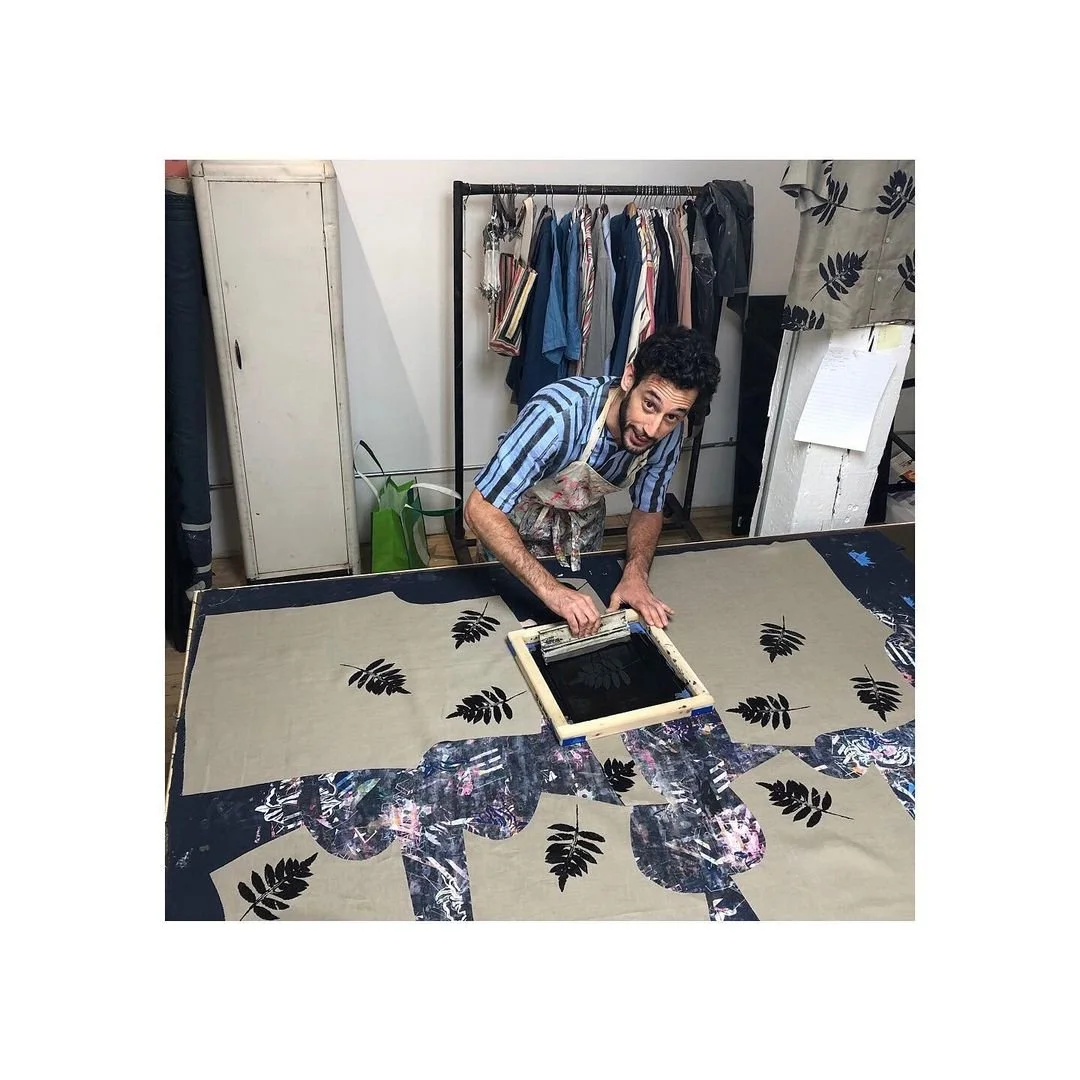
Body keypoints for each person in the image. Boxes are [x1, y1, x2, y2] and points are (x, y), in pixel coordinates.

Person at [465, 325, 720, 637]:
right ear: (629, 379)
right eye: (649, 404)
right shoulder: (556, 416)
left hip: (582, 530)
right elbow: (481, 509)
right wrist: (553, 591)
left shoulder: (668, 433)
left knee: (584, 626)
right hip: (513, 526)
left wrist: (635, 573)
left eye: (672, 416)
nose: (653, 429)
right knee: (509, 630)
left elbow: (648, 508)